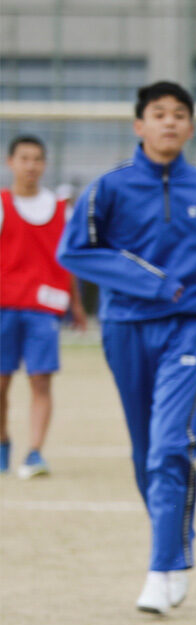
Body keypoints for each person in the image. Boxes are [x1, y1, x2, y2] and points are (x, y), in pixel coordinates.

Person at [56, 81, 196, 614]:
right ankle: (176, 540)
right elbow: (76, 251)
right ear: (139, 125)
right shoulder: (108, 188)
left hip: (186, 327)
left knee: (170, 447)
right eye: (158, 114)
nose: (169, 122)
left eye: (179, 114)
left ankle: (162, 568)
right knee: (145, 453)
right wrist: (151, 282)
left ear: (191, 126)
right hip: (125, 327)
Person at [1, 134, 87, 479]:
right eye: (24, 158)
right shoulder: (3, 204)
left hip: (43, 309)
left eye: (37, 159)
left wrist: (77, 306)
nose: (31, 166)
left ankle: (35, 452)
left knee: (41, 382)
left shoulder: (59, 209)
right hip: (4, 305)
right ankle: (3, 441)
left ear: (45, 164)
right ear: (11, 162)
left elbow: (70, 263)